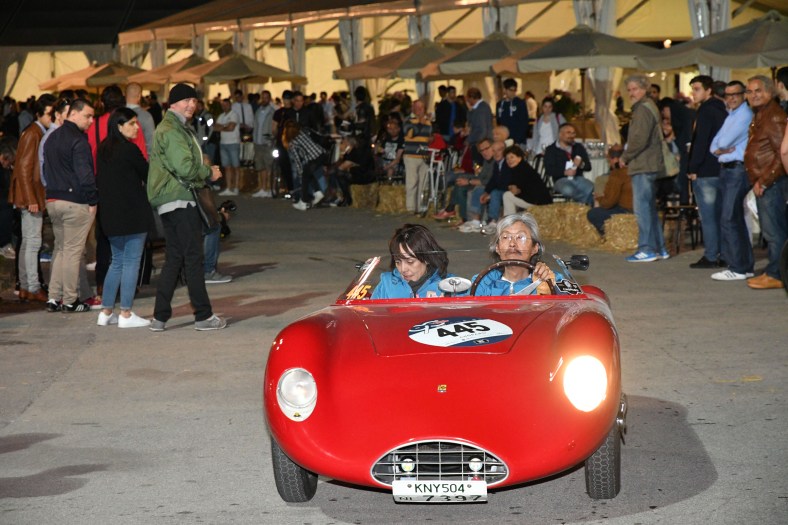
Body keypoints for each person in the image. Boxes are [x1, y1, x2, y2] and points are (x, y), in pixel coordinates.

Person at [146, 83, 226, 331]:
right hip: (180, 198)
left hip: (170, 199)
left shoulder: (174, 126)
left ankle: (160, 317)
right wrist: (208, 172)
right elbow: (185, 167)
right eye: (186, 100)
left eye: (194, 100)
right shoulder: (172, 129)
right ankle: (203, 316)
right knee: (193, 257)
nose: (191, 105)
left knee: (175, 257)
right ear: (173, 103)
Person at [95, 108, 152, 328]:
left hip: (110, 214)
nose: (137, 127)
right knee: (131, 263)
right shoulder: (129, 149)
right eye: (132, 123)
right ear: (119, 126)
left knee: (117, 262)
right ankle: (126, 313)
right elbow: (147, 173)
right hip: (132, 213)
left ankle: (106, 311)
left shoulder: (103, 149)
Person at [43, 98, 98, 312]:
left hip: (53, 200)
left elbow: (45, 170)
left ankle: (53, 297)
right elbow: (86, 175)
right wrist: (93, 199)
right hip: (75, 201)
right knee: (73, 252)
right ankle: (70, 300)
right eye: (87, 116)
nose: (91, 121)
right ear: (73, 114)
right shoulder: (79, 140)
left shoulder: (52, 137)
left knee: (60, 249)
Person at [8, 94, 55, 303]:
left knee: (29, 241)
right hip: (30, 196)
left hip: (29, 195)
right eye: (50, 114)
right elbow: (24, 169)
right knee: (32, 241)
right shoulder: (33, 133)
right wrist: (31, 198)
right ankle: (32, 286)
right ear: (39, 114)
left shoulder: (35, 132)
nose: (52, 118)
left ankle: (27, 286)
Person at [743, 75, 787, 290]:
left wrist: (765, 180)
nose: (753, 95)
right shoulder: (761, 114)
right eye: (749, 91)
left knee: (774, 231)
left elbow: (781, 154)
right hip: (765, 182)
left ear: (770, 91)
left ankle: (776, 273)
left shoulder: (774, 116)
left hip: (772, 183)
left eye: (758, 90)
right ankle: (773, 270)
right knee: (771, 230)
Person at [619, 74, 669, 262]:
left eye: (635, 89)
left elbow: (639, 139)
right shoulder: (649, 106)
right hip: (650, 163)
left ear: (644, 89)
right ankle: (659, 248)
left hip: (643, 164)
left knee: (643, 209)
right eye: (629, 90)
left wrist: (625, 156)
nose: (631, 93)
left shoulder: (642, 109)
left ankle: (647, 248)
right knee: (649, 208)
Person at [709, 80, 754, 281]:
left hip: (737, 169)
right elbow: (714, 146)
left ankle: (738, 267)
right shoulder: (732, 115)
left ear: (743, 95)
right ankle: (744, 265)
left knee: (729, 217)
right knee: (733, 217)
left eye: (735, 94)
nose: (731, 98)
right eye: (728, 95)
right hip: (728, 169)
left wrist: (721, 148)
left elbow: (723, 142)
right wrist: (720, 148)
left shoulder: (744, 115)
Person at [686, 75, 728, 270]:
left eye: (697, 89)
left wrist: (693, 167)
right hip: (720, 167)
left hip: (706, 170)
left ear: (708, 90)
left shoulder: (706, 110)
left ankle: (711, 255)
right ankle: (724, 254)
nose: (693, 93)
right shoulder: (722, 109)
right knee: (720, 215)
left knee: (709, 216)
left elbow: (701, 141)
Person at [473, 213, 557, 296]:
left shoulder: (550, 278)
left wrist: (547, 291)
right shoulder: (482, 282)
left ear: (535, 248)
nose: (512, 243)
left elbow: (564, 300)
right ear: (497, 248)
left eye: (520, 237)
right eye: (505, 237)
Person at [371, 224, 450, 299]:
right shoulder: (386, 285)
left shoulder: (450, 286)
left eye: (410, 262)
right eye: (398, 262)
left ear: (427, 258)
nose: (403, 269)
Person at [587, 145, 633, 235]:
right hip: (640, 209)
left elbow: (609, 202)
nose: (609, 163)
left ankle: (608, 235)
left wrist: (599, 198)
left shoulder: (617, 173)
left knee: (592, 213)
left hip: (627, 210)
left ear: (614, 159)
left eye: (609, 160)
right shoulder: (635, 168)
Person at [543, 123, 594, 205]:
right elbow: (549, 170)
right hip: (560, 179)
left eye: (573, 133)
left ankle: (583, 207)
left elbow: (588, 167)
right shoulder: (551, 150)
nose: (571, 135)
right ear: (560, 134)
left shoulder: (578, 147)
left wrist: (581, 164)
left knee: (591, 187)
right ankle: (582, 204)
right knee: (568, 190)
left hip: (578, 178)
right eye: (568, 133)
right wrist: (564, 172)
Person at [283, 120, 327, 210]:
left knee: (304, 176)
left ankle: (304, 201)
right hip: (322, 154)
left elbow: (297, 161)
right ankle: (318, 192)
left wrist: (300, 173)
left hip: (314, 158)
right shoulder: (303, 132)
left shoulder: (292, 143)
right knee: (308, 173)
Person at [501, 144, 551, 215]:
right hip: (531, 199)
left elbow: (521, 187)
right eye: (507, 159)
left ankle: (511, 220)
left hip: (538, 202)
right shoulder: (516, 169)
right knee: (508, 195)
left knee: (507, 195)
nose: (509, 160)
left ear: (519, 158)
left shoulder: (523, 169)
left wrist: (516, 190)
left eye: (512, 157)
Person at [402, 99, 433, 214]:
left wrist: (431, 138)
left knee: (424, 183)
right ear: (413, 109)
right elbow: (410, 134)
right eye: (417, 108)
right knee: (412, 182)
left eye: (422, 108)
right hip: (411, 155)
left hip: (424, 156)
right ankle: (411, 208)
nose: (420, 110)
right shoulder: (408, 121)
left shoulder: (428, 122)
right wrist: (421, 123)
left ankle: (421, 207)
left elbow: (428, 136)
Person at [251, 90, 275, 198]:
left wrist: (271, 139)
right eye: (263, 97)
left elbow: (273, 127)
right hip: (258, 142)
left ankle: (270, 189)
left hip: (267, 142)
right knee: (260, 166)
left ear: (269, 99)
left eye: (266, 97)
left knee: (269, 166)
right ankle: (263, 188)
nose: (264, 99)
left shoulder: (272, 111)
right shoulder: (258, 111)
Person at [215, 98, 241, 196]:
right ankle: (229, 187)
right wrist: (225, 126)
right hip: (223, 143)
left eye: (226, 105)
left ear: (230, 105)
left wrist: (222, 127)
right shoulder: (221, 116)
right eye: (223, 105)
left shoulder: (234, 115)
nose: (224, 107)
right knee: (227, 167)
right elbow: (215, 127)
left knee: (235, 166)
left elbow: (231, 128)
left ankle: (236, 187)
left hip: (233, 142)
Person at [496, 78, 528, 146]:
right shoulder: (499, 104)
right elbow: (499, 123)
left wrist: (517, 141)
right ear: (504, 90)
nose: (513, 93)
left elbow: (524, 123)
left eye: (514, 90)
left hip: (518, 141)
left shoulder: (520, 103)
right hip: (504, 141)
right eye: (511, 90)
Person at [466, 88, 493, 166]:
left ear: (471, 97)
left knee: (479, 164)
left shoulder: (482, 108)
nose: (467, 100)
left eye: (468, 98)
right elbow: (470, 121)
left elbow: (482, 128)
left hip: (480, 142)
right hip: (479, 141)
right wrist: (470, 110)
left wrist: (479, 144)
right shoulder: (478, 108)